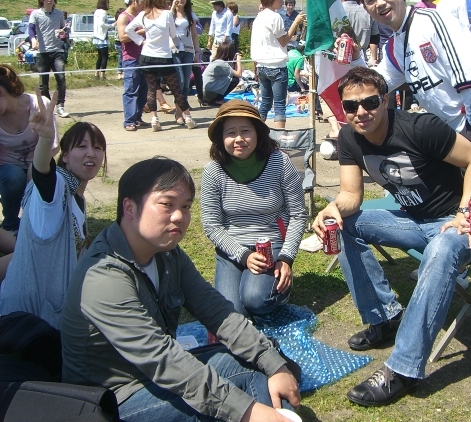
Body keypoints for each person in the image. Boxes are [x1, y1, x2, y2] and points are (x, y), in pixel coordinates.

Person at [61, 157, 300, 422]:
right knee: (234, 392)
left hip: (155, 377)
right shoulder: (104, 276)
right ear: (129, 208)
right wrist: (248, 412)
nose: (179, 216)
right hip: (113, 400)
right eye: (167, 204)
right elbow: (161, 358)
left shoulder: (167, 253)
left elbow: (216, 310)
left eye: (185, 206)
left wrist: (273, 363)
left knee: (257, 364)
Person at [312, 67, 471, 407]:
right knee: (345, 224)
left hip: (456, 226)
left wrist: (465, 212)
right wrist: (333, 208)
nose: (361, 111)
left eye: (370, 102)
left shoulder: (420, 127)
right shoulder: (349, 138)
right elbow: (351, 195)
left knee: (442, 248)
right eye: (351, 106)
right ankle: (384, 318)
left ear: (386, 100)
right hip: (413, 221)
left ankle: (404, 369)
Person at [354, 0, 471, 200]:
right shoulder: (395, 44)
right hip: (455, 127)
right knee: (460, 197)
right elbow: (379, 82)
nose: (379, 3)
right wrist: (354, 63)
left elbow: (469, 76)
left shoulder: (432, 21)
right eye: (371, 0)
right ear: (366, 8)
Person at [0, 97, 106, 330]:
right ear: (65, 156)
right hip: (26, 323)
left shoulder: (77, 196)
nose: (91, 153)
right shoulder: (57, 188)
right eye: (82, 147)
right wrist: (46, 140)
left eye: (98, 147)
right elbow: (43, 175)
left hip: (50, 319)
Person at [201, 100, 306, 317]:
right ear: (221, 137)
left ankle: (281, 291)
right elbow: (212, 225)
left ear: (258, 133)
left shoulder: (280, 162)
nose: (238, 139)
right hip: (231, 246)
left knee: (256, 300)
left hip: (271, 244)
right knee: (232, 313)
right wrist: (244, 256)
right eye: (231, 132)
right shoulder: (213, 171)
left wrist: (286, 258)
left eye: (245, 131)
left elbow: (297, 214)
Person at [125, 0, 197, 131]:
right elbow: (173, 34)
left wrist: (141, 41)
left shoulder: (143, 15)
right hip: (164, 56)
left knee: (151, 89)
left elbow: (128, 30)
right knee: (176, 89)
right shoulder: (166, 14)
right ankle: (188, 117)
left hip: (147, 56)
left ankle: (154, 119)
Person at [0, 64, 59, 233]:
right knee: (14, 176)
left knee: (53, 176)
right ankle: (11, 225)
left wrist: (37, 166)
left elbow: (54, 146)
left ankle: (40, 224)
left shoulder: (38, 105)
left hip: (40, 163)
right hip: (6, 171)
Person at [251, 0, 306, 129]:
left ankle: (256, 131)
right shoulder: (275, 17)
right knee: (280, 105)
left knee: (265, 102)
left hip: (262, 66)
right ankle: (280, 138)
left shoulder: (259, 17)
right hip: (276, 66)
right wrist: (296, 22)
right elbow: (284, 41)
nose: (282, 1)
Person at [28, 0, 69, 118]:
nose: (49, 0)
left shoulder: (59, 14)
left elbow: (64, 30)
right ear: (41, 0)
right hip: (42, 52)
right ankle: (47, 106)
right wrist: (33, 40)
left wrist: (63, 33)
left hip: (57, 50)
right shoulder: (36, 14)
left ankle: (60, 106)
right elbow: (30, 29)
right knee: (43, 84)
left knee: (61, 79)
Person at [117, 0, 150, 132]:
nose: (144, 5)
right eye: (142, 2)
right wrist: (140, 32)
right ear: (134, 1)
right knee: (131, 90)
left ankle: (137, 117)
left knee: (143, 89)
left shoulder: (140, 16)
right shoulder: (124, 17)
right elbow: (122, 37)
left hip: (144, 57)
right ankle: (129, 120)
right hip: (131, 58)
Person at [169, 0, 200, 121]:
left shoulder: (190, 14)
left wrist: (197, 52)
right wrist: (172, 8)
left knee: (186, 82)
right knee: (179, 81)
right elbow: (166, 26)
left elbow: (194, 34)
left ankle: (179, 112)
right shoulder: (169, 14)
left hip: (188, 50)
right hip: (174, 50)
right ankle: (180, 112)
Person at [334, 0, 379, 66]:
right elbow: (375, 37)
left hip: (338, 58)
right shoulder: (368, 11)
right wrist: (374, 58)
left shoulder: (334, 11)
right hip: (361, 59)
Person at [202, 42, 243, 106]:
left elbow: (229, 71)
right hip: (208, 94)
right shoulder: (222, 63)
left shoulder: (217, 61)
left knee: (228, 78)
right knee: (235, 80)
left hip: (203, 92)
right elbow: (239, 74)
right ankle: (217, 99)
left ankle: (213, 99)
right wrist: (238, 60)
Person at [113, 7, 126, 80]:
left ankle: (119, 72)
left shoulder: (116, 22)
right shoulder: (121, 22)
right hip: (120, 42)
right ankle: (122, 72)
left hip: (117, 42)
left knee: (120, 57)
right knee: (123, 57)